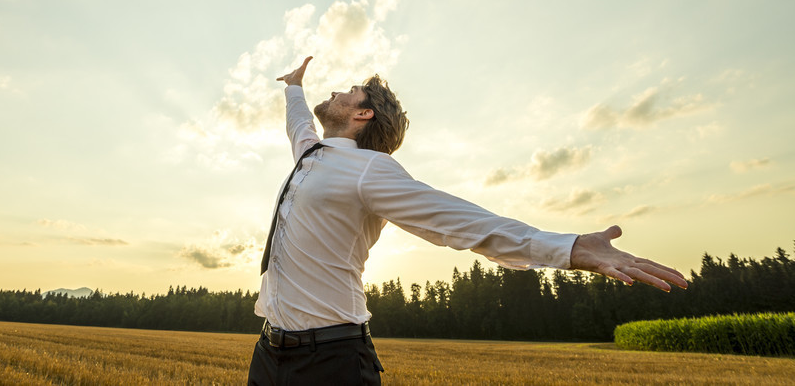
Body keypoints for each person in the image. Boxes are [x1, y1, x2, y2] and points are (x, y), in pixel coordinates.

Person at [247, 56, 688, 386]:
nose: (338, 93)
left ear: (363, 115)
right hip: (268, 355)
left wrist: (569, 248)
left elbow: (461, 222)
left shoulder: (370, 170)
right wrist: (293, 87)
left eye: (349, 92)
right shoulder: (310, 153)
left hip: (331, 363)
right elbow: (298, 124)